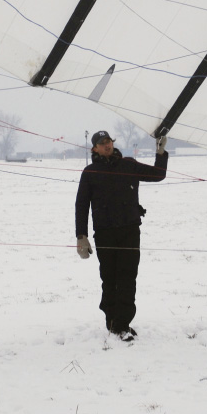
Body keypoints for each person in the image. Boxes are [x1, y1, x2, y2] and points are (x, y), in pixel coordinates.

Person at [75, 130, 168, 341]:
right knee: (109, 278)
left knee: (127, 278)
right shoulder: (89, 172)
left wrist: (160, 152)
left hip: (129, 231)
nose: (107, 145)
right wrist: (81, 235)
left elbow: (158, 174)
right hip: (105, 233)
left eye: (108, 141)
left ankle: (123, 324)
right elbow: (81, 205)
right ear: (95, 148)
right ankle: (112, 321)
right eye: (102, 143)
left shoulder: (128, 164)